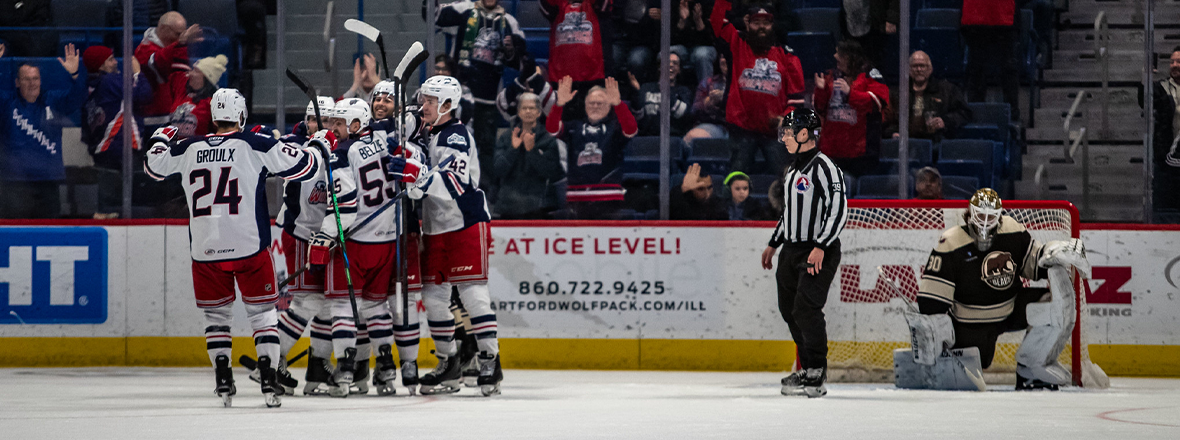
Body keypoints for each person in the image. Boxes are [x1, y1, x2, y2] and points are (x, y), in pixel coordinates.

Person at [144, 88, 322, 408]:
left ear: (213, 118)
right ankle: (269, 379)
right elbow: (305, 167)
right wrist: (322, 144)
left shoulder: (189, 146)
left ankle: (223, 380)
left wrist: (161, 136)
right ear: (241, 116)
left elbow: (153, 166)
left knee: (216, 317)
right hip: (249, 247)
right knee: (263, 315)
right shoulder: (254, 142)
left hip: (206, 250)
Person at [897, 189, 1099, 391]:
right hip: (969, 324)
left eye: (990, 216)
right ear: (970, 213)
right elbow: (931, 301)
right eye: (980, 215)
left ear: (999, 215)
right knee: (978, 359)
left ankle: (1031, 370)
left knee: (1054, 301)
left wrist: (1051, 253)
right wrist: (936, 337)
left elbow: (1035, 265)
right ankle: (953, 357)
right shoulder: (950, 242)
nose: (985, 222)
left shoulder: (1012, 230)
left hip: (1010, 311)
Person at [397, 75, 503, 396]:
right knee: (433, 298)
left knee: (472, 294)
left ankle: (490, 360)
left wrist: (418, 179)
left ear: (447, 105)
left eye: (430, 101)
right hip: (435, 228)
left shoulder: (455, 136)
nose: (423, 105)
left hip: (464, 224)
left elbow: (454, 182)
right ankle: (449, 362)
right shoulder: (429, 134)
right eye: (423, 99)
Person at [306, 98, 409, 397]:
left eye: (339, 123)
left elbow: (345, 206)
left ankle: (346, 371)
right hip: (387, 240)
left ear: (355, 125)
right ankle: (386, 368)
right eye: (331, 121)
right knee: (376, 306)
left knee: (341, 306)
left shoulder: (340, 152)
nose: (332, 128)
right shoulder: (382, 143)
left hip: (357, 242)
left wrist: (326, 238)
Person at [759, 108, 847, 398]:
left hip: (817, 249)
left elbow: (838, 209)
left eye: (788, 131)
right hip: (791, 250)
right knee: (789, 310)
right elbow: (789, 214)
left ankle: (817, 371)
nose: (783, 136)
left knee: (806, 308)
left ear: (805, 134)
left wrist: (821, 245)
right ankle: (807, 367)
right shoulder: (792, 170)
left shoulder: (826, 168)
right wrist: (774, 243)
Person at [268, 97, 338, 397]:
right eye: (312, 120)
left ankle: (318, 365)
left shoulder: (339, 147)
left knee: (327, 303)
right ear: (305, 121)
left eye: (323, 121)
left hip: (327, 236)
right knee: (307, 303)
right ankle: (272, 363)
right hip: (300, 235)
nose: (317, 126)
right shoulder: (294, 146)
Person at [430, 0, 525, 186]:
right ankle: (453, 187)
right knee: (455, 145)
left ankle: (486, 195)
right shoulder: (465, 9)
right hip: (460, 97)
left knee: (487, 150)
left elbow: (520, 59)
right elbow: (433, 16)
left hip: (489, 101)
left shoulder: (509, 22)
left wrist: (511, 49)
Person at [709, 0, 805, 175]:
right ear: (747, 24)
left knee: (784, 181)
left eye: (766, 23)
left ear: (772, 25)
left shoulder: (788, 56)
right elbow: (716, 21)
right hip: (741, 129)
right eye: (756, 23)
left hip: (775, 132)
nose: (761, 27)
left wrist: (786, 118)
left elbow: (796, 99)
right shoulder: (736, 45)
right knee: (736, 180)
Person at [0, 44, 87, 219]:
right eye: (26, 79)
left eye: (35, 78)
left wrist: (75, 74)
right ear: (17, 82)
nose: (32, 83)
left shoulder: (52, 100)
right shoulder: (7, 103)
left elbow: (78, 98)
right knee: (15, 234)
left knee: (49, 233)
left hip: (48, 180)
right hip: (15, 183)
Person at [547, 76, 638, 219]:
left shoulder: (614, 129)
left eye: (600, 103)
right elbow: (552, 129)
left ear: (609, 106)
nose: (595, 106)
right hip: (577, 200)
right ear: (585, 105)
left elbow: (631, 129)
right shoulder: (574, 127)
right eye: (591, 103)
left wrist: (619, 104)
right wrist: (559, 105)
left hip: (609, 199)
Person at [81, 45, 153, 219]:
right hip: (122, 147)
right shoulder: (111, 81)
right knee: (135, 201)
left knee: (107, 203)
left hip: (103, 150)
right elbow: (144, 94)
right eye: (110, 59)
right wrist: (137, 73)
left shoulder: (90, 85)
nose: (115, 62)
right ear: (100, 65)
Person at [812, 40, 889, 178]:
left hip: (861, 154)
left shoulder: (871, 75)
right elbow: (821, 109)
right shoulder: (830, 75)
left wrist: (851, 94)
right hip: (831, 151)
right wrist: (821, 90)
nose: (835, 56)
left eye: (839, 53)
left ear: (850, 56)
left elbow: (877, 103)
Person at [495, 93, 566, 219]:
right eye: (524, 108)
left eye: (532, 108)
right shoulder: (506, 137)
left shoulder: (548, 139)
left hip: (539, 208)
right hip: (508, 207)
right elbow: (498, 171)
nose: (528, 111)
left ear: (539, 112)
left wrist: (532, 150)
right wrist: (513, 149)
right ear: (518, 112)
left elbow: (551, 173)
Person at [540, 0, 610, 121]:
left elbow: (604, 7)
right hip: (561, 77)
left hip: (591, 76)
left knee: (591, 123)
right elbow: (546, 8)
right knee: (563, 123)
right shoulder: (559, 5)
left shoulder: (593, 5)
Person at [136, 11, 203, 127]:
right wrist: (181, 42)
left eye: (183, 34)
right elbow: (156, 63)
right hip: (154, 120)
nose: (180, 38)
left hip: (175, 117)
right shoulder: (144, 49)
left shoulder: (176, 47)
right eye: (178, 34)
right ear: (163, 29)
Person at [886, 51, 971, 143]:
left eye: (922, 66)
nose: (919, 69)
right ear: (909, 70)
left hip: (936, 144)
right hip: (904, 145)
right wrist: (892, 133)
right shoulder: (897, 93)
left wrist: (945, 121)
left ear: (930, 69)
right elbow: (886, 120)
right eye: (915, 66)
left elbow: (964, 112)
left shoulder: (947, 90)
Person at [962, 0, 1019, 121]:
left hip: (983, 15)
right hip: (991, 16)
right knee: (983, 68)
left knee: (978, 68)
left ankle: (976, 112)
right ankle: (1010, 112)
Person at [628, 52, 694, 137]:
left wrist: (666, 91)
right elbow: (638, 117)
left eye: (675, 63)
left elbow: (681, 115)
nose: (670, 65)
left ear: (679, 70)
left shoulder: (684, 91)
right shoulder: (646, 88)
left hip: (673, 138)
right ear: (660, 67)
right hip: (647, 137)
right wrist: (636, 93)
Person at [496, 35, 556, 122]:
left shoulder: (542, 87)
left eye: (509, 46)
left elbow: (550, 115)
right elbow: (507, 113)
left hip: (540, 128)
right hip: (518, 128)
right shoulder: (509, 91)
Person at [169, 55, 226, 140]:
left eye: (196, 71)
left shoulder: (214, 103)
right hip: (175, 149)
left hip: (198, 150)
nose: (190, 74)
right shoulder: (182, 91)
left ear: (207, 78)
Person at [1152, 47, 1180, 223]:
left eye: (1178, 61)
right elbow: (1144, 101)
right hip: (1167, 157)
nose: (1174, 65)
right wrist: (1145, 77)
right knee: (1166, 211)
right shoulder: (1161, 87)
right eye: (1172, 61)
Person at [684, 52, 730, 144]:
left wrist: (726, 98)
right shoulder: (708, 82)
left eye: (729, 56)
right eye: (722, 57)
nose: (724, 60)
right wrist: (708, 102)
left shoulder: (746, 82)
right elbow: (694, 110)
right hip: (715, 126)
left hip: (741, 128)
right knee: (691, 139)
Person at [671, 0, 718, 86]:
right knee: (666, 53)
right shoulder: (677, 4)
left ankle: (705, 94)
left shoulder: (709, 4)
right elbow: (672, 40)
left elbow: (711, 41)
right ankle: (668, 93)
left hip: (705, 47)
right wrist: (682, 20)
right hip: (683, 49)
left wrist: (698, 21)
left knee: (701, 55)